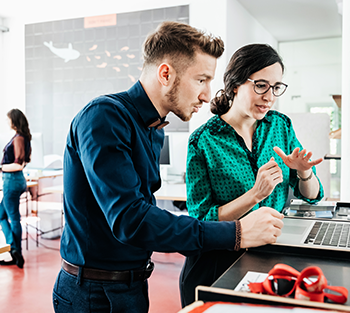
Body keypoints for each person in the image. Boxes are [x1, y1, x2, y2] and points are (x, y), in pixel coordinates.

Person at [52, 21, 284, 313]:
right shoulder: (104, 118)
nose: (207, 95)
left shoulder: (154, 128)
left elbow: (147, 213)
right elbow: (131, 219)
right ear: (166, 73)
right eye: (201, 80)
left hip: (131, 285)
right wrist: (235, 233)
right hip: (94, 294)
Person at [179, 43, 324, 306]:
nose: (270, 96)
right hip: (218, 263)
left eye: (276, 87)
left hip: (271, 257)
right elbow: (202, 219)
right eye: (261, 85)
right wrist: (255, 195)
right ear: (235, 84)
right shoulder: (203, 141)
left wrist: (304, 174)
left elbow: (312, 196)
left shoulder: (280, 125)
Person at [0, 108, 31, 268]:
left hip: (12, 181)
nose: (7, 122)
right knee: (1, 216)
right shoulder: (22, 138)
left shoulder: (19, 138)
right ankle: (14, 251)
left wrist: (0, 168)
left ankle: (15, 250)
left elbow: (18, 165)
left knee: (13, 218)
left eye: (8, 119)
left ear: (14, 120)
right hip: (15, 181)